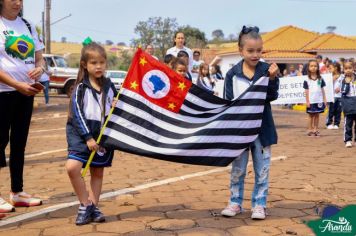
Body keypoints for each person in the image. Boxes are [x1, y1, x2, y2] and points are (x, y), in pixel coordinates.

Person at [221, 25, 279, 220]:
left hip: (262, 129)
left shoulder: (267, 70)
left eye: (259, 51)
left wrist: (271, 79)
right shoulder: (232, 74)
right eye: (250, 51)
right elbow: (229, 101)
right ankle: (235, 202)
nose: (255, 55)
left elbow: (272, 96)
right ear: (240, 50)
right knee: (238, 169)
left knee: (262, 169)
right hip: (239, 130)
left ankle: (259, 204)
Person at [65, 41, 118, 225]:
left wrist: (115, 105)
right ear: (84, 65)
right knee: (72, 168)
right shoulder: (80, 87)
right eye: (94, 63)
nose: (98, 66)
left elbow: (115, 106)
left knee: (97, 172)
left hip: (102, 134)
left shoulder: (110, 86)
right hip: (81, 134)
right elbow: (77, 113)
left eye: (102, 62)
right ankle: (85, 204)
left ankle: (93, 207)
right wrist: (88, 137)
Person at [0, 0, 45, 213]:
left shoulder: (27, 25)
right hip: (3, 93)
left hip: (26, 93)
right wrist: (16, 84)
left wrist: (39, 68)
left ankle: (17, 193)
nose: (18, 2)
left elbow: (39, 57)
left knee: (19, 143)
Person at [303, 59, 327, 137]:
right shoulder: (306, 79)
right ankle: (310, 129)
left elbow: (322, 89)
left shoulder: (320, 78)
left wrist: (324, 99)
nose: (313, 67)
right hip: (311, 100)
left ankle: (315, 129)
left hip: (319, 100)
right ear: (308, 68)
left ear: (318, 67)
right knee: (311, 115)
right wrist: (307, 101)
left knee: (317, 115)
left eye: (315, 66)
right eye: (311, 66)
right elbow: (306, 91)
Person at [340, 60, 356, 148]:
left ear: (353, 68)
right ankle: (348, 140)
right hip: (348, 104)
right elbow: (343, 92)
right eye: (346, 68)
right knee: (348, 124)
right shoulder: (343, 80)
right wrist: (347, 82)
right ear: (343, 70)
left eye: (350, 68)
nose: (348, 70)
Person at [326, 62, 343, 129]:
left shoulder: (342, 76)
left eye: (331, 68)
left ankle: (336, 123)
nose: (329, 70)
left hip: (340, 96)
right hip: (332, 96)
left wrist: (340, 89)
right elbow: (326, 85)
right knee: (331, 110)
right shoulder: (329, 76)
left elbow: (345, 85)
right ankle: (329, 123)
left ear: (336, 68)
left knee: (338, 111)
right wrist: (332, 79)